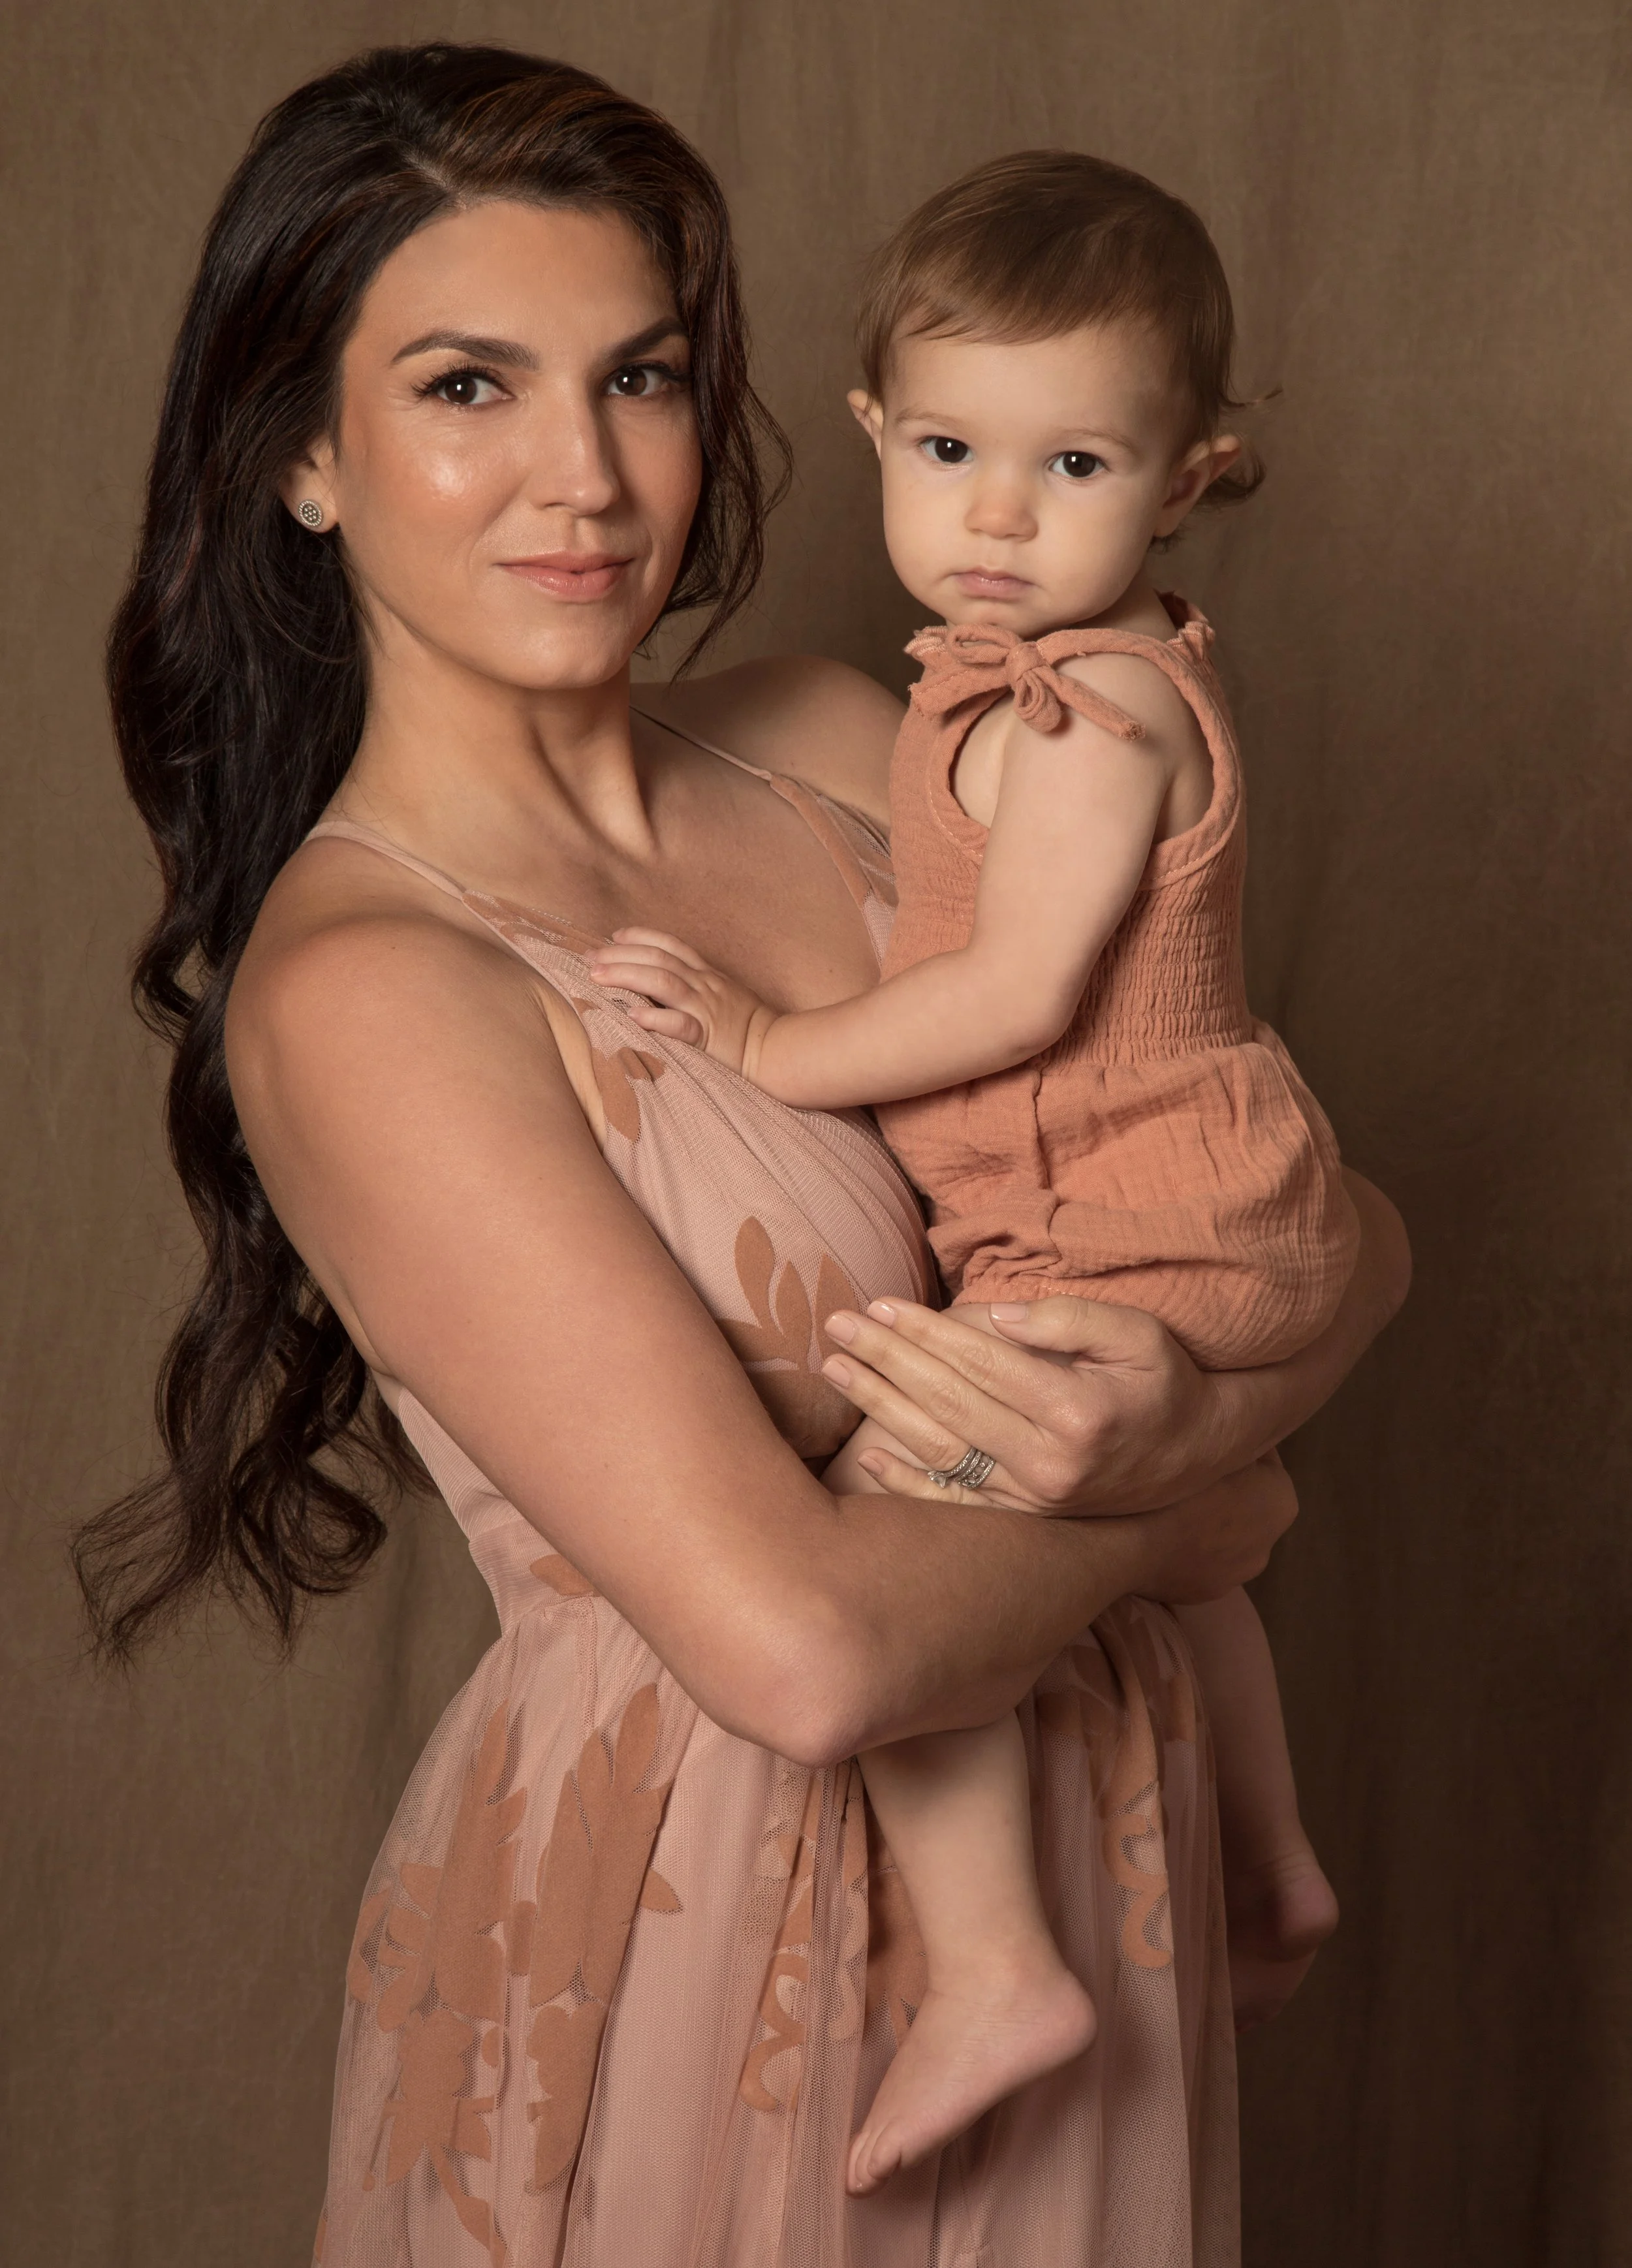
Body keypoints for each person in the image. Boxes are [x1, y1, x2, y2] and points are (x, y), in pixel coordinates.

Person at [74, 44, 1408, 2268]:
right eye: (468, 387)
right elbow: (805, 1661)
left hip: (1093, 1842)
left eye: (644, 376)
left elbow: (1312, 1219)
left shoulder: (844, 738)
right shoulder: (366, 986)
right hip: (716, 1924)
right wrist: (1191, 1495)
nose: (585, 476)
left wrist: (1189, 1410)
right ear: (300, 454)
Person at [588, 150, 1364, 2196]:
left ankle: (994, 1965)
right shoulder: (986, 686)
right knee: (1188, 1547)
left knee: (887, 1534)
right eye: (949, 452)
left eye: (1073, 465)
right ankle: (1270, 1856)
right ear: (872, 431)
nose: (998, 518)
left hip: (1139, 1218)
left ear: (1186, 480)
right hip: (1167, 1203)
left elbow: (1017, 993)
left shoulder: (1090, 709)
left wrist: (763, 1046)